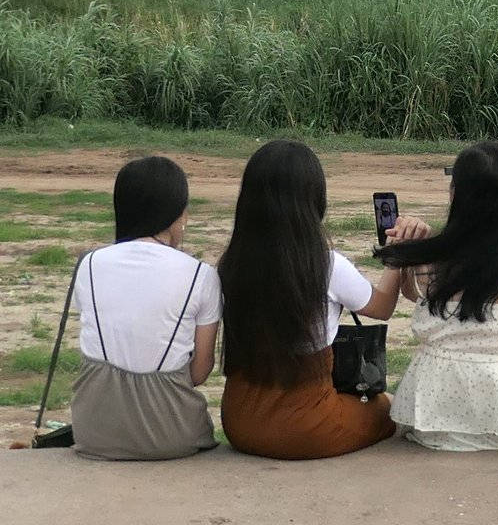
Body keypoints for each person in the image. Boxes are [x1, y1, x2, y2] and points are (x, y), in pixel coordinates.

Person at [218, 140, 428, 460]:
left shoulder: (231, 263)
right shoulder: (326, 265)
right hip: (304, 430)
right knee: (388, 406)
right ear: (314, 200)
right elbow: (384, 307)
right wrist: (396, 254)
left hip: (239, 423)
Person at [374, 141, 498, 451]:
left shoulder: (425, 262)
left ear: (455, 195)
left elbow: (408, 295)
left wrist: (404, 247)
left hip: (433, 420)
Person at [71, 156, 219, 460]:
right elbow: (200, 372)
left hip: (95, 432)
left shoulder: (88, 264)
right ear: (176, 214)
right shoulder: (201, 275)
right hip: (173, 436)